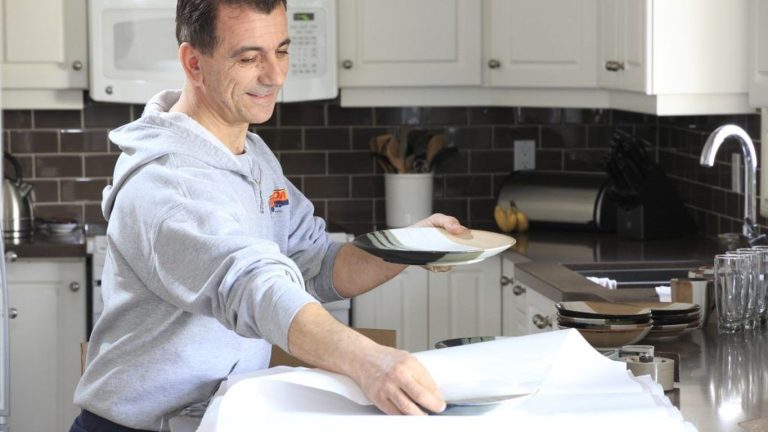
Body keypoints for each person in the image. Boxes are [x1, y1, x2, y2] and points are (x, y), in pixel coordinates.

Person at [70, 0, 466, 430]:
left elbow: (313, 261)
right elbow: (251, 285)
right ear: (194, 63)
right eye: (249, 58)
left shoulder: (253, 156)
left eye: (281, 50)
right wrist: (368, 360)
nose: (275, 75)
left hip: (218, 418)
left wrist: (407, 245)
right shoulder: (166, 182)